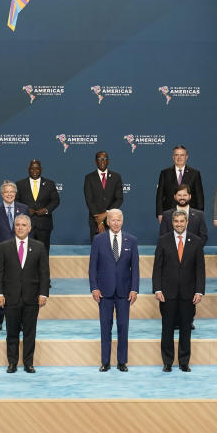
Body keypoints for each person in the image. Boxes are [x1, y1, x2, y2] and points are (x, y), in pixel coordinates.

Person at [0, 214, 50, 373]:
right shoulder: (4, 246)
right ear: (14, 227)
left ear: (29, 228)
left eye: (23, 225)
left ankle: (28, 363)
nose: (20, 227)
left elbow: (44, 273)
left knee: (29, 333)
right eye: (17, 224)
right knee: (11, 332)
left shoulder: (39, 246)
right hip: (10, 297)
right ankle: (12, 363)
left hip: (32, 297)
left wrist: (43, 294)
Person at [152, 210, 205, 372]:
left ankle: (184, 362)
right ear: (172, 223)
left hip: (189, 294)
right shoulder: (163, 241)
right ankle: (167, 362)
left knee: (186, 329)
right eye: (176, 222)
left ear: (187, 222)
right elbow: (157, 268)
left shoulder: (196, 242)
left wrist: (199, 291)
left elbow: (200, 269)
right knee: (167, 328)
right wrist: (157, 289)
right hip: (167, 294)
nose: (179, 224)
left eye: (182, 221)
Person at [88, 209, 139, 371]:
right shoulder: (98, 240)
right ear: (107, 222)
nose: (116, 223)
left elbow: (135, 269)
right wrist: (94, 288)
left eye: (119, 220)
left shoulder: (131, 240)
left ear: (122, 221)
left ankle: (122, 362)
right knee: (105, 327)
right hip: (104, 292)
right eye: (113, 220)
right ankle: (105, 362)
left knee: (123, 327)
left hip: (124, 292)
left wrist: (134, 289)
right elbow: (92, 267)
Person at [0, 181, 29, 331]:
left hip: (21, 252)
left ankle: (22, 321)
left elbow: (29, 231)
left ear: (15, 194)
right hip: (1, 254)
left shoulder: (23, 208)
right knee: (1, 285)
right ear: (2, 194)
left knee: (21, 286)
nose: (9, 194)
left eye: (12, 192)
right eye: (6, 192)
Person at [15, 159, 60, 250]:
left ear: (41, 170)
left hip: (44, 224)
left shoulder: (49, 184)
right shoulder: (20, 184)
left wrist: (46, 210)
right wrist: (25, 210)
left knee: (43, 252)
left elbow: (55, 200)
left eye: (37, 169)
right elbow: (16, 201)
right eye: (32, 169)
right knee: (26, 253)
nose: (34, 171)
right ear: (28, 169)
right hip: (25, 224)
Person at [156, 145, 205, 221]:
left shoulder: (195, 173)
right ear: (173, 157)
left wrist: (200, 214)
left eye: (182, 155)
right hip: (169, 214)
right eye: (176, 155)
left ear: (186, 157)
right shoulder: (165, 173)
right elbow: (160, 196)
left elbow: (199, 196)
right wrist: (160, 213)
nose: (179, 158)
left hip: (190, 215)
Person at [83, 151, 123, 239]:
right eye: (99, 159)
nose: (102, 161)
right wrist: (99, 222)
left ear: (108, 161)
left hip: (112, 220)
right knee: (97, 249)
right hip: (95, 220)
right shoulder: (89, 178)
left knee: (112, 249)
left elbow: (119, 199)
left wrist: (106, 213)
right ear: (95, 161)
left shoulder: (116, 177)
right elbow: (89, 200)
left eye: (104, 159)